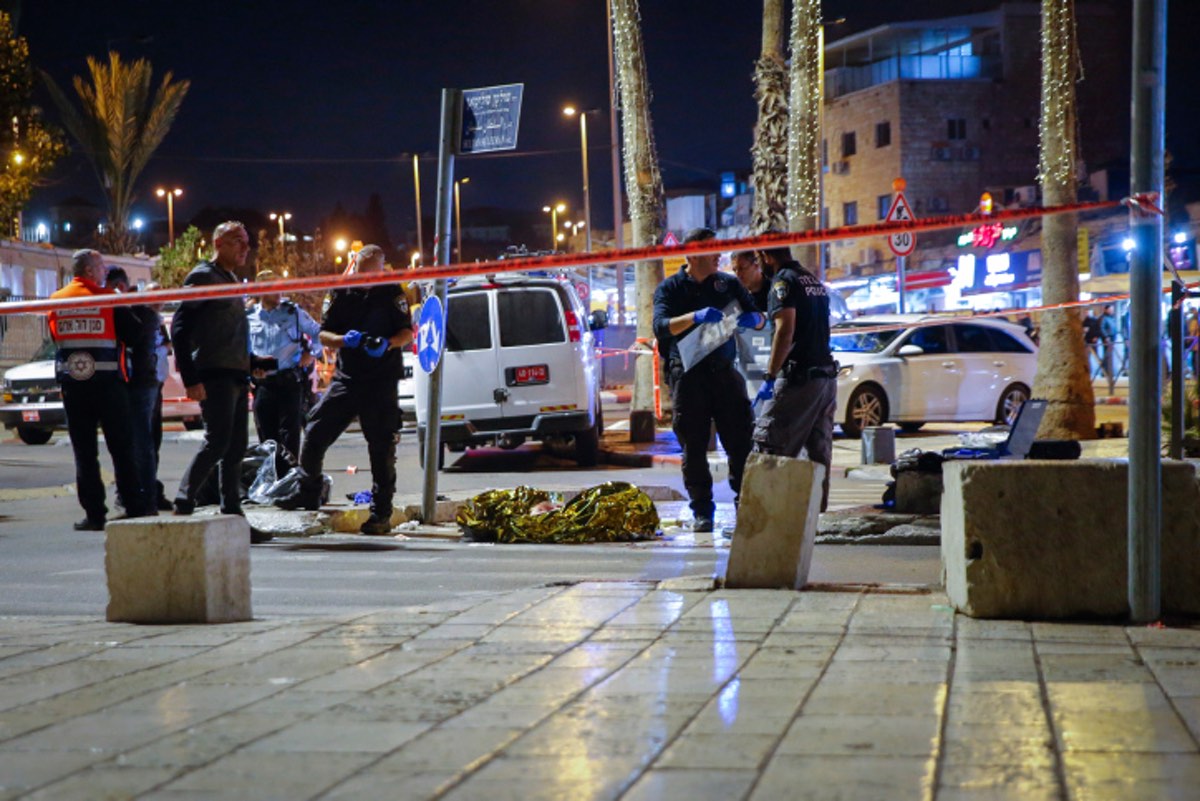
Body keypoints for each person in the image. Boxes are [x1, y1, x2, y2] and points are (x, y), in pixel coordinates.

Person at [278, 245, 413, 535]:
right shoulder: (341, 292)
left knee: (381, 448)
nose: (365, 278)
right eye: (361, 271)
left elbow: (406, 332)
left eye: (371, 272)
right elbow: (323, 333)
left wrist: (386, 343)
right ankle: (308, 491)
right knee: (314, 432)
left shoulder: (391, 292)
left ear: (380, 268)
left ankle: (381, 513)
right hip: (347, 379)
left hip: (381, 380)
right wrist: (343, 340)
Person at [652, 227, 764, 533]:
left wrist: (753, 320)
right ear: (693, 254)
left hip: (725, 373)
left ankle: (746, 505)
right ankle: (702, 512)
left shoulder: (727, 284)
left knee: (740, 443)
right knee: (694, 447)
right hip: (689, 377)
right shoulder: (671, 289)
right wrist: (695, 317)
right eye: (713, 250)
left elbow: (758, 314)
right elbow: (660, 327)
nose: (719, 255)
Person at [47, 250, 147, 529]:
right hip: (108, 386)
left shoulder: (56, 300)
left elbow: (56, 337)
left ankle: (94, 513)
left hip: (73, 386)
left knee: (84, 452)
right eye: (101, 267)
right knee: (121, 448)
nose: (105, 272)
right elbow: (136, 334)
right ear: (90, 271)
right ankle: (133, 504)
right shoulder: (106, 298)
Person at [171, 221, 253, 518]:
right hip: (215, 372)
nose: (245, 248)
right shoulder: (204, 277)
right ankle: (184, 499)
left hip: (236, 373)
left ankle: (232, 510)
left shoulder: (229, 278)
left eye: (246, 241)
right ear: (218, 244)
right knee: (218, 441)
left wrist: (252, 365)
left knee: (236, 446)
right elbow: (180, 330)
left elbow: (230, 331)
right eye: (237, 241)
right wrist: (190, 378)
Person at [751, 245, 838, 512]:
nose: (759, 266)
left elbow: (785, 329)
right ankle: (814, 519)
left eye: (757, 259)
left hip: (800, 380)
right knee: (817, 454)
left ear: (767, 256)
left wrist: (770, 375)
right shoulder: (812, 279)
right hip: (824, 379)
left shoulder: (783, 281)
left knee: (770, 447)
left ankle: (765, 520)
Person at [247, 269, 323, 469]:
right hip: (263, 384)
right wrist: (250, 367)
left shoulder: (293, 312)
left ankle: (289, 481)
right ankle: (271, 482)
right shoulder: (249, 317)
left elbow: (318, 333)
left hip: (289, 382)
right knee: (267, 439)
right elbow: (242, 349)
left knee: (290, 437)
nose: (279, 291)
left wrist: (312, 354)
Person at [105, 267, 161, 516]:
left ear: (119, 286)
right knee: (132, 443)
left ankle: (146, 499)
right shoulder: (132, 309)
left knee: (140, 444)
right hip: (131, 383)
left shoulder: (139, 311)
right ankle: (134, 498)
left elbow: (138, 339)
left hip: (139, 383)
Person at [1099, 303, 1118, 395]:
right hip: (1107, 340)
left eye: (1112, 309)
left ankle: (1109, 372)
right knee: (1107, 356)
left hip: (1112, 339)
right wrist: (1106, 337)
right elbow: (1101, 328)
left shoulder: (1111, 318)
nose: (1112, 311)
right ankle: (1105, 372)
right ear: (1106, 310)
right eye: (1110, 309)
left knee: (1110, 356)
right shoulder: (1104, 318)